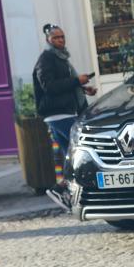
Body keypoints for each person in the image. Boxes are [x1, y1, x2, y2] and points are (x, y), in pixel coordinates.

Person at [33, 24, 96, 208]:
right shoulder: (46, 59)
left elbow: (63, 85)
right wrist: (77, 80)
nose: (60, 40)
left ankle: (66, 192)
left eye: (62, 37)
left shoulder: (60, 58)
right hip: (57, 113)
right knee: (78, 152)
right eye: (56, 38)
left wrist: (83, 89)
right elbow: (50, 87)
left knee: (70, 153)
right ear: (48, 40)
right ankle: (62, 189)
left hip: (64, 111)